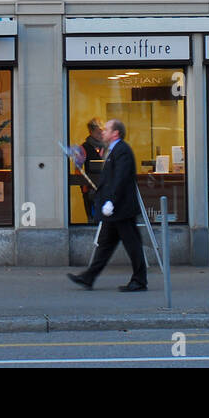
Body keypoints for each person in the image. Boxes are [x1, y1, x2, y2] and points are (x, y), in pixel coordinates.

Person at [68, 119, 147, 292]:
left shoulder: (122, 150)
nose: (103, 132)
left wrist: (111, 201)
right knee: (105, 244)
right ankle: (88, 277)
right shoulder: (113, 150)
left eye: (107, 129)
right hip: (116, 209)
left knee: (132, 244)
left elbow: (120, 178)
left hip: (121, 208)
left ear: (115, 133)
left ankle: (140, 280)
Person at [77, 118, 106, 221]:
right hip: (90, 189)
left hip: (107, 187)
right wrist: (84, 186)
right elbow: (78, 168)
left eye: (102, 132)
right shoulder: (83, 148)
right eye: (98, 133)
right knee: (93, 219)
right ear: (91, 132)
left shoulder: (107, 147)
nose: (101, 135)